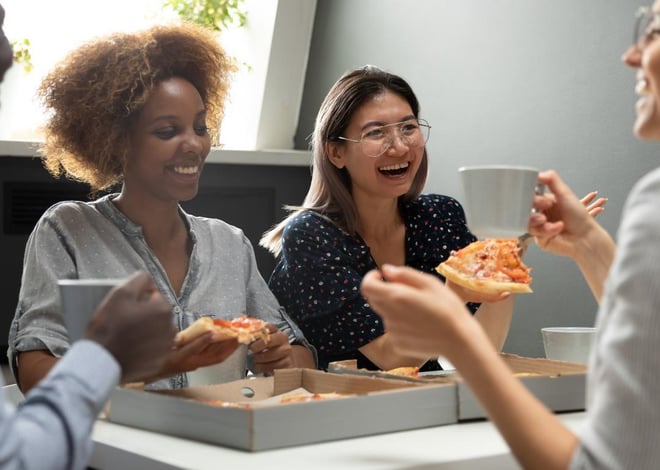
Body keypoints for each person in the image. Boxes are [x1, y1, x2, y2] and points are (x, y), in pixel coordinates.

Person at [360, 4, 660, 468]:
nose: (630, 55)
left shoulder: (653, 203)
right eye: (376, 132)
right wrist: (589, 246)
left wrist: (458, 335)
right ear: (333, 152)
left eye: (653, 29)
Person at [8, 21, 316, 394]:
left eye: (200, 128)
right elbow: (35, 372)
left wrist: (281, 356)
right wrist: (161, 362)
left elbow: (299, 357)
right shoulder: (68, 229)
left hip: (218, 444)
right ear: (117, 143)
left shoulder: (229, 243)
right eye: (167, 131)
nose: (193, 145)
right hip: (116, 446)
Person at [260, 65, 520, 372]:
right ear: (336, 153)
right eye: (376, 133)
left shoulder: (439, 218)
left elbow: (481, 352)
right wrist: (453, 294)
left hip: (423, 406)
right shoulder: (310, 235)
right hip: (333, 408)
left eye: (408, 128)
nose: (399, 146)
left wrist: (507, 256)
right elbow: (392, 360)